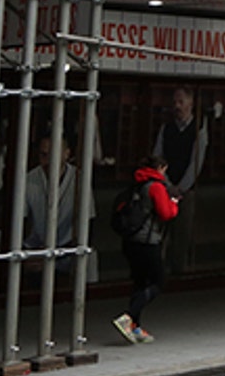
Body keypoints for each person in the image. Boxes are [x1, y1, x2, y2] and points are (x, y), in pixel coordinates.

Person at [112, 155, 179, 345]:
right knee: (158, 281)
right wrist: (174, 203)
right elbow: (166, 214)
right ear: (160, 168)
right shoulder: (156, 187)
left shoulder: (137, 183)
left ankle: (136, 327)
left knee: (140, 283)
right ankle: (129, 317)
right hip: (148, 242)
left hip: (130, 241)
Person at [24, 134, 96, 282]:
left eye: (54, 154)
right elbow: (21, 221)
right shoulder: (29, 180)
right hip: (37, 247)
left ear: (66, 154)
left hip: (68, 248)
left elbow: (88, 221)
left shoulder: (79, 179)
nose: (49, 160)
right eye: (44, 155)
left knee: (89, 257)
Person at [152, 87, 207, 272]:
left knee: (183, 231)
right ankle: (159, 266)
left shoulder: (199, 129)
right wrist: (167, 184)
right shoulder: (166, 129)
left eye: (181, 102)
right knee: (160, 230)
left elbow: (196, 163)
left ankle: (179, 268)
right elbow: (157, 157)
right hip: (166, 187)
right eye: (174, 102)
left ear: (190, 104)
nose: (177, 106)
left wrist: (181, 188)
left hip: (186, 190)